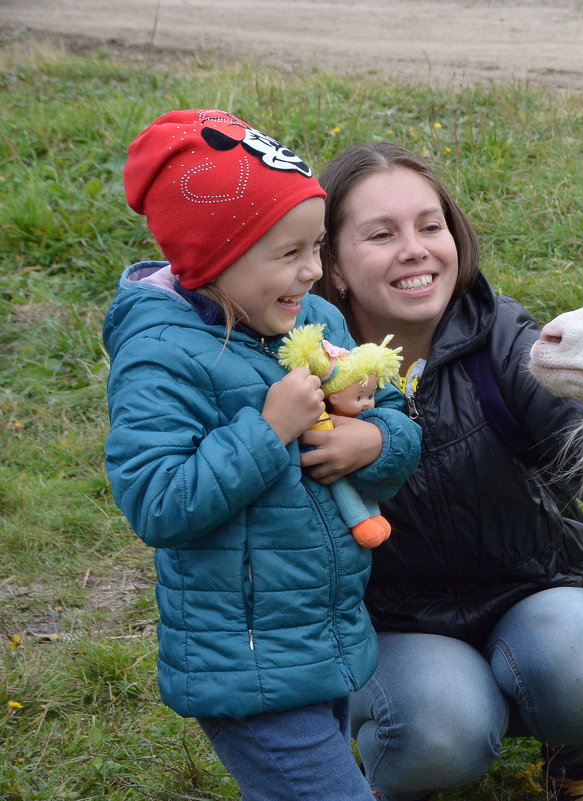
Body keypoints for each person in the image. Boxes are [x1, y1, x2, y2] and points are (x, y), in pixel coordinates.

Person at [314, 142, 583, 801]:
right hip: (393, 623)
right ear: (335, 266)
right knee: (441, 730)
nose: (414, 249)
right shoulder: (308, 367)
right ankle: (414, 748)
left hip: (532, 592)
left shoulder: (499, 334)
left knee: (579, 663)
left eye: (429, 225)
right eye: (381, 234)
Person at [104, 110, 422, 801]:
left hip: (322, 636)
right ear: (214, 259)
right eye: (288, 253)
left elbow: (397, 430)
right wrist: (267, 428)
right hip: (244, 663)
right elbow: (158, 501)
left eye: (316, 247)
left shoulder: (313, 318)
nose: (313, 270)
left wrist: (373, 438)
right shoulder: (161, 354)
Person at [278, 322, 405, 547]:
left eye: (370, 396)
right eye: (360, 398)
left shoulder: (326, 316)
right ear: (334, 398)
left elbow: (398, 415)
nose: (368, 404)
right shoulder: (323, 417)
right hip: (324, 476)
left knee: (361, 486)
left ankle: (373, 515)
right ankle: (359, 521)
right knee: (343, 487)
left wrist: (379, 435)